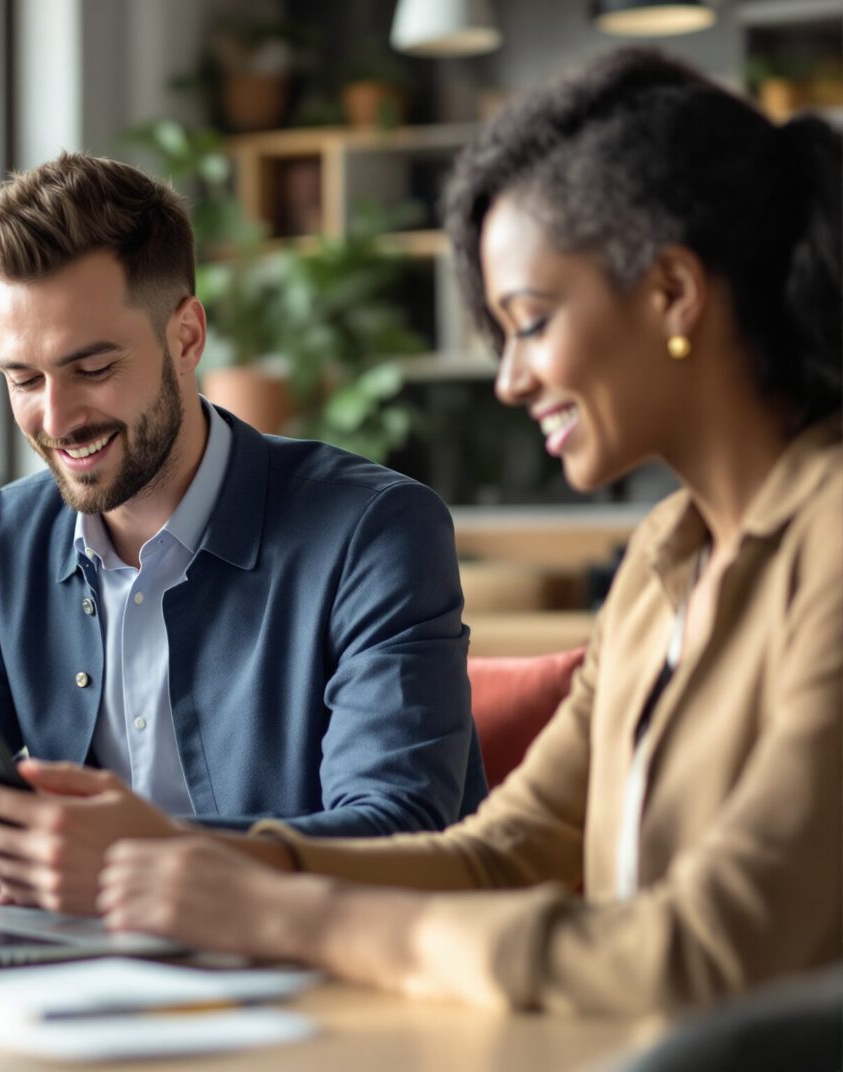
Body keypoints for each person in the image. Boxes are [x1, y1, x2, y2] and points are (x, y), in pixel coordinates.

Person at [94, 48, 842, 1016]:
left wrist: (289, 915)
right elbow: (500, 854)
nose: (511, 379)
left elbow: (705, 952)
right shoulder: (668, 557)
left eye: (530, 323)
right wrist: (215, 860)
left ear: (672, 293)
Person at [0, 151, 487, 913]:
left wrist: (120, 857)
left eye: (91, 368)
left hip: (328, 975)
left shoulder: (375, 532)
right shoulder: (13, 536)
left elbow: (397, 833)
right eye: (24, 379)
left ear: (187, 337)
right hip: (92, 980)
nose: (55, 420)